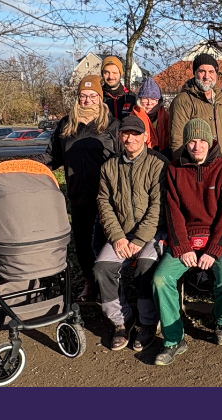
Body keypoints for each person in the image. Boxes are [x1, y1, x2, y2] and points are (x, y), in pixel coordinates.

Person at [153, 119, 222, 366]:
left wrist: (213, 251)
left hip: (218, 239)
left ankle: (221, 322)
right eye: (192, 141)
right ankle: (173, 339)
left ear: (210, 141)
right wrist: (181, 247)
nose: (197, 145)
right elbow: (173, 212)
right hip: (186, 239)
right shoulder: (173, 169)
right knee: (161, 279)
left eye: (202, 140)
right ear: (185, 142)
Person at [34, 75, 121, 287]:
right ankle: (90, 281)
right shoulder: (66, 124)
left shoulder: (111, 125)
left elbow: (121, 159)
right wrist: (28, 165)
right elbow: (53, 157)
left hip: (105, 194)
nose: (87, 100)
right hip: (78, 193)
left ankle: (109, 285)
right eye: (83, 95)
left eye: (93, 96)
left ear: (100, 98)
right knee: (82, 244)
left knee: (104, 242)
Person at [95, 115, 167, 352]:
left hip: (152, 233)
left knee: (145, 265)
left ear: (146, 137)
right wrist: (117, 237)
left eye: (136, 134)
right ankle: (120, 320)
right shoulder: (109, 167)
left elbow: (158, 207)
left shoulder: (158, 165)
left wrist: (138, 240)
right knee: (102, 267)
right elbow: (104, 204)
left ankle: (147, 322)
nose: (130, 138)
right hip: (120, 234)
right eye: (126, 133)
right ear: (120, 136)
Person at [168, 53, 222, 159]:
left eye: (211, 72)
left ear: (216, 74)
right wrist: (184, 168)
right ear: (195, 73)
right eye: (202, 71)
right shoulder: (183, 101)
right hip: (198, 165)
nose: (207, 77)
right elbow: (177, 139)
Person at [133, 77, 169, 152]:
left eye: (153, 99)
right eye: (145, 99)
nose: (149, 103)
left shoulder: (167, 118)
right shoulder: (133, 118)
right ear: (139, 100)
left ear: (159, 102)